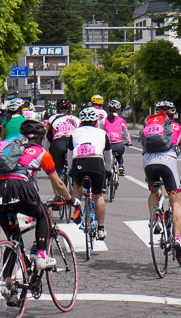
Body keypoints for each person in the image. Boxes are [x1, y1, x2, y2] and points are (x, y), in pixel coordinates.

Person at [0, 120, 78, 272]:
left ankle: (6, 281)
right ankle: (42, 255)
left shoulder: (11, 149)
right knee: (43, 215)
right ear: (41, 138)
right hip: (18, 188)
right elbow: (59, 184)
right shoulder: (42, 153)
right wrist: (71, 199)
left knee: (13, 238)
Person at [143, 100, 181, 262]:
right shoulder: (179, 129)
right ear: (173, 114)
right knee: (175, 201)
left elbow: (144, 150)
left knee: (154, 190)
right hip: (168, 161)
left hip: (148, 162)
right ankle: (177, 239)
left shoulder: (149, 126)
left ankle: (154, 219)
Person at [68, 107, 112, 240]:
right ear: (95, 122)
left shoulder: (74, 133)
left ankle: (77, 211)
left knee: (77, 185)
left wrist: (71, 170)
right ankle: (101, 228)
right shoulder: (102, 133)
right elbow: (108, 156)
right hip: (97, 163)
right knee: (98, 195)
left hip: (79, 162)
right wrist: (108, 170)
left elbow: (69, 155)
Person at [44, 99, 80, 180]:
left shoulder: (51, 119)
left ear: (57, 109)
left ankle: (57, 191)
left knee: (56, 171)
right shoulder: (76, 119)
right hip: (73, 142)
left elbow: (48, 137)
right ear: (70, 110)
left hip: (58, 143)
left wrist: (46, 153)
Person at [102, 100, 132, 177]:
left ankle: (104, 184)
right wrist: (129, 142)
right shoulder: (121, 120)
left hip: (108, 145)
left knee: (105, 159)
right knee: (119, 155)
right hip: (118, 144)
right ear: (118, 110)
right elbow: (126, 133)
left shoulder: (103, 120)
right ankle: (121, 166)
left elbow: (100, 133)